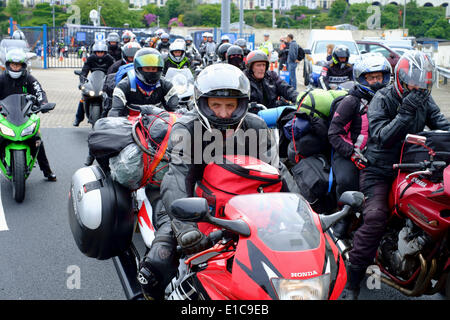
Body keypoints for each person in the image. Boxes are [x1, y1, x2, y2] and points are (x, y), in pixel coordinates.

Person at [136, 63, 299, 300]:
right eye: (216, 105)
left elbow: (277, 171)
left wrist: (304, 214)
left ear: (242, 103)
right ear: (202, 103)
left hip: (247, 210)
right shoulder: (187, 128)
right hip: (190, 205)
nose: (224, 113)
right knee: (156, 264)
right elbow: (176, 177)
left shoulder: (256, 126)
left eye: (230, 106)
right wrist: (185, 228)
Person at [341, 51, 450, 300]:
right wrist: (404, 115)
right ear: (401, 78)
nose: (418, 85)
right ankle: (353, 282)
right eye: (413, 80)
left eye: (424, 80)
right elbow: (380, 135)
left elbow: (443, 127)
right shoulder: (383, 97)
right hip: (379, 170)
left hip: (414, 167)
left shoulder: (423, 98)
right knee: (376, 218)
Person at [328, 55, 392, 238]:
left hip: (379, 154)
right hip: (349, 154)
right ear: (362, 79)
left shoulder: (390, 100)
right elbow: (334, 133)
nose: (376, 82)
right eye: (371, 78)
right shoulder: (351, 101)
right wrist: (352, 153)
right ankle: (342, 220)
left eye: (379, 77)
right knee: (348, 182)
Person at [0, 49, 56, 181]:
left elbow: (39, 92)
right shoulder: (1, 79)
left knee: (37, 140)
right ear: (8, 65)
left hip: (25, 115)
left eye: (18, 65)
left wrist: (43, 103)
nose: (15, 67)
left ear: (23, 66)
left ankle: (46, 170)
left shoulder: (29, 79)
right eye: (13, 65)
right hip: (5, 116)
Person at [108, 48, 179, 118]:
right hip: (129, 126)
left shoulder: (166, 85)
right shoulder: (123, 86)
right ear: (138, 68)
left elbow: (176, 110)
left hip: (159, 125)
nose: (151, 72)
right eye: (147, 68)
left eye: (154, 69)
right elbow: (115, 113)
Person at [73, 41, 114, 127]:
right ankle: (78, 118)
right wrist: (82, 82)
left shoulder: (110, 59)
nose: (99, 54)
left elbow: (113, 70)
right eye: (97, 52)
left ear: (105, 52)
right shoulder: (90, 58)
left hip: (104, 82)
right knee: (83, 98)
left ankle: (111, 120)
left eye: (101, 52)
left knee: (112, 100)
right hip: (93, 81)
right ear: (94, 52)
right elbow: (84, 71)